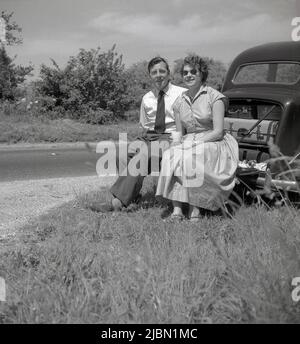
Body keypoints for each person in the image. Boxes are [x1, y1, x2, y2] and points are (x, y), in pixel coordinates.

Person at [155, 55, 239, 221]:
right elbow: (180, 133)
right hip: (189, 140)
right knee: (171, 155)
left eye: (194, 71)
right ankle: (177, 210)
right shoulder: (180, 101)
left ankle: (195, 210)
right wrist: (177, 144)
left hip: (214, 140)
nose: (189, 75)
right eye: (185, 72)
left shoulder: (215, 97)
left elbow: (218, 131)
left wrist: (194, 143)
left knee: (190, 157)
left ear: (202, 74)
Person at [107, 56, 187, 211]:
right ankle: (133, 197)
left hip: (170, 137)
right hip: (148, 136)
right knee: (121, 154)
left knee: (142, 157)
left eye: (162, 71)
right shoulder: (147, 98)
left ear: (169, 73)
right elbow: (145, 124)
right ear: (150, 75)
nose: (158, 75)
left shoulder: (182, 93)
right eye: (154, 72)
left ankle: (117, 202)